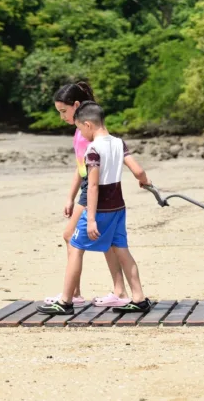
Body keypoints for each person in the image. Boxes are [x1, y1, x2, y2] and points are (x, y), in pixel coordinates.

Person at [37, 102, 153, 315]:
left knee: (75, 248)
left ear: (88, 125)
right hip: (118, 207)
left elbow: (92, 186)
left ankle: (65, 301)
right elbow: (138, 171)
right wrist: (145, 181)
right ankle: (139, 298)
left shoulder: (93, 149)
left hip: (100, 210)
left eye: (80, 128)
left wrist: (90, 219)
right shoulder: (119, 143)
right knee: (122, 249)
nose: (81, 133)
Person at [45, 82, 129, 308]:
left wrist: (81, 200)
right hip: (87, 187)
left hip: (93, 189)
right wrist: (69, 197)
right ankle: (112, 291)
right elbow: (80, 167)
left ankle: (75, 294)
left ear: (76, 105)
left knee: (71, 236)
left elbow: (92, 172)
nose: (62, 117)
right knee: (106, 241)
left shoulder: (86, 133)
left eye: (64, 111)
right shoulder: (80, 131)